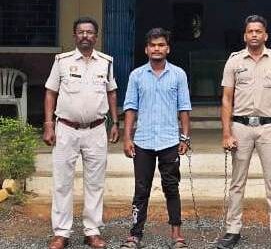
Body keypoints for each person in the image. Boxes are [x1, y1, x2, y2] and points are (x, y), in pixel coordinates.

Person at [217, 15, 271, 249]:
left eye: (258, 31)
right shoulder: (234, 61)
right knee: (237, 182)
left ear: (266, 35)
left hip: (268, 129)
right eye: (250, 31)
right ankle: (233, 230)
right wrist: (226, 133)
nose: (254, 34)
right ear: (245, 36)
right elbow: (226, 99)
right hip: (240, 128)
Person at [43, 16, 120, 249]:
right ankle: (61, 233)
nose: (85, 35)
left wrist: (115, 123)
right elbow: (50, 92)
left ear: (96, 36)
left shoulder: (106, 62)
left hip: (96, 130)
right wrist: (48, 124)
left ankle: (92, 231)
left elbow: (112, 92)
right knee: (62, 183)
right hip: (66, 129)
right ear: (74, 35)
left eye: (89, 32)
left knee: (95, 183)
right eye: (81, 32)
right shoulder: (62, 61)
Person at [121, 28, 192, 249]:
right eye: (152, 45)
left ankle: (176, 235)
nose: (157, 49)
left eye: (161, 45)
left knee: (171, 187)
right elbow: (130, 108)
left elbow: (184, 108)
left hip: (169, 141)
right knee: (141, 189)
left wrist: (185, 138)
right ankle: (135, 234)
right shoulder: (136, 75)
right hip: (143, 141)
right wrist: (127, 137)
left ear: (168, 49)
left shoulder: (178, 74)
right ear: (146, 49)